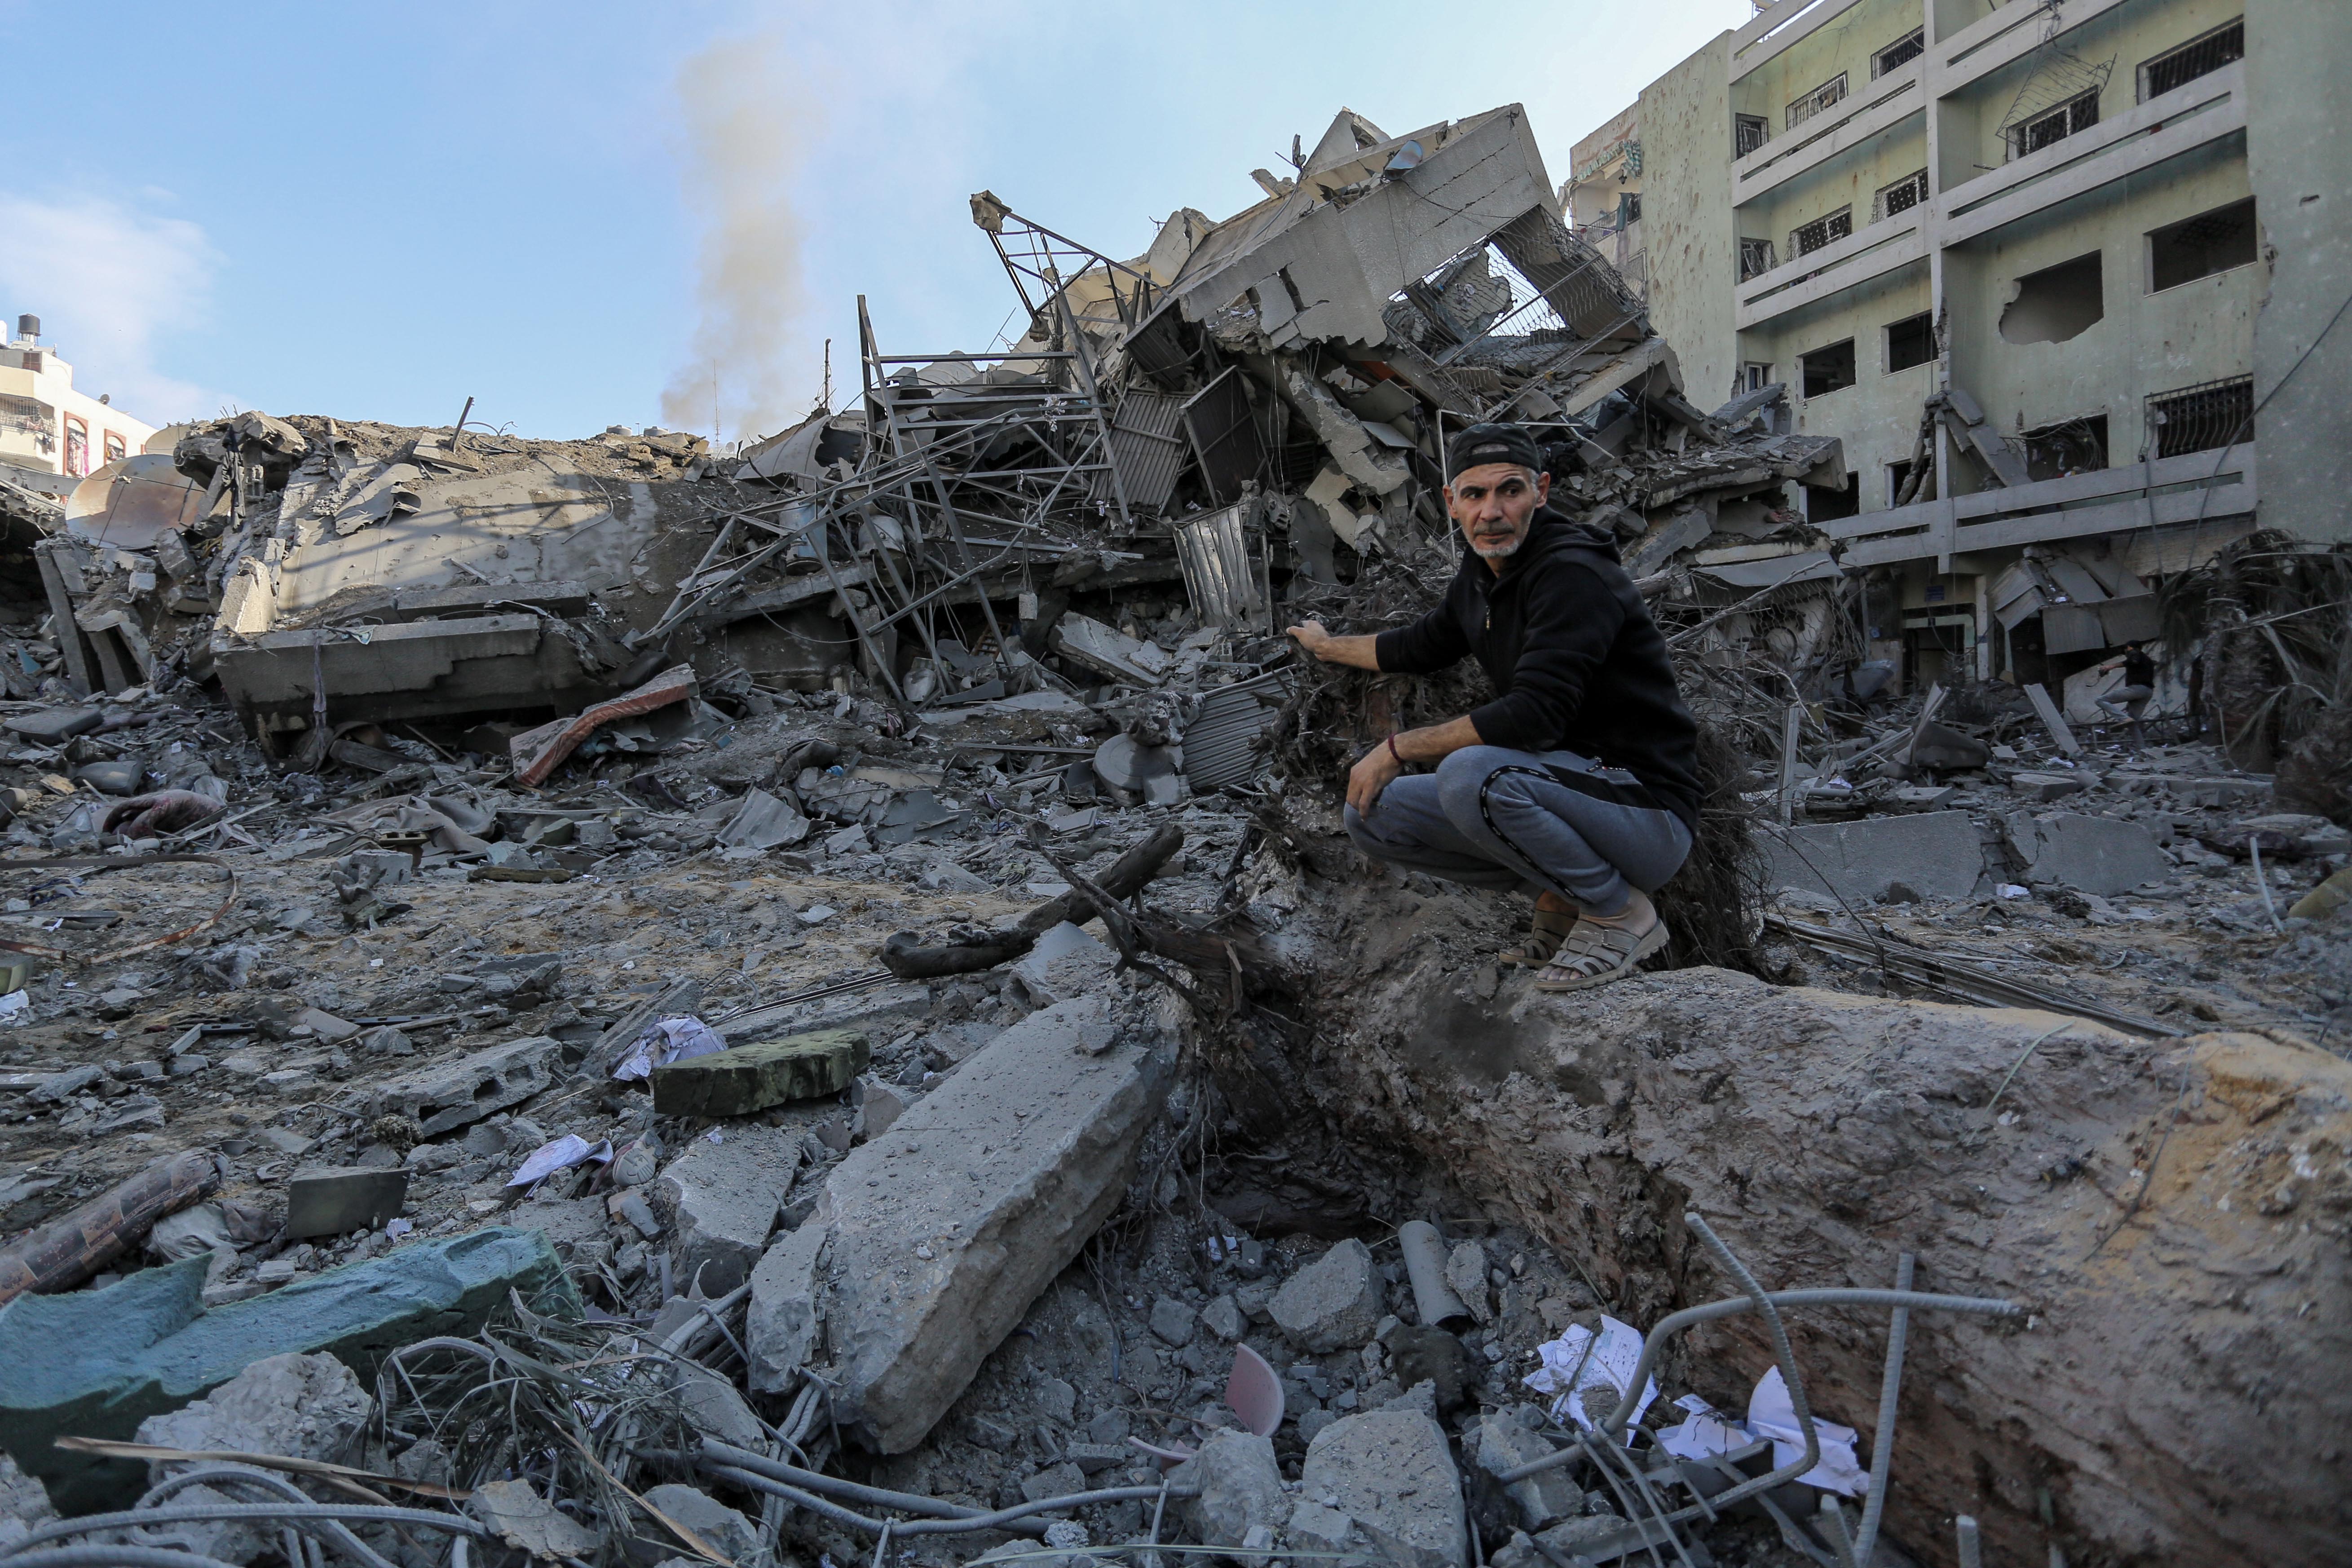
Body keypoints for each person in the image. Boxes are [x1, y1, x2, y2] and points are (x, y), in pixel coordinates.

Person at [1287, 422, 1702, 992]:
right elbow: (1420, 644)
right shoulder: (1483, 572)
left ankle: (1619, 913)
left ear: (1542, 491)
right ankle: (1557, 897)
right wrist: (1325, 645)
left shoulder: (1572, 575)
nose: (1492, 511)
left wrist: (1396, 747)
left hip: (1643, 812)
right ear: (1451, 502)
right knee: (1371, 812)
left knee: (1469, 775)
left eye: (1510, 490)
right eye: (1475, 495)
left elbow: (1534, 715)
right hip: (1567, 799)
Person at [2093, 640, 2157, 748]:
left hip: (2137, 689)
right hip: (2147, 692)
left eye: (2126, 650)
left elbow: (2133, 661)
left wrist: (2111, 666)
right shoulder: (2147, 660)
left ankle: (2123, 718)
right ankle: (2143, 751)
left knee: (2100, 700)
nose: (2125, 652)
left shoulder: (2134, 653)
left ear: (2129, 648)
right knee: (2132, 724)